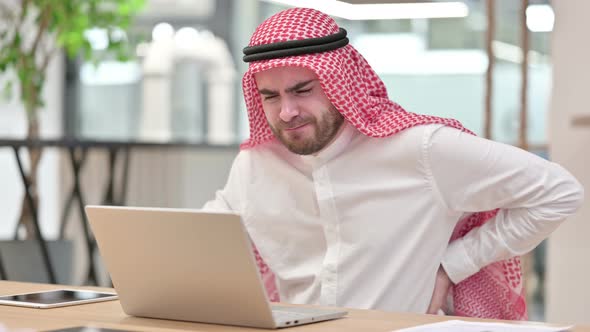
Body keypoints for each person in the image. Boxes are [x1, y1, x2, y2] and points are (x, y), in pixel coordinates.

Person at [203, 7, 584, 319]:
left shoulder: (421, 150)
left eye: (303, 90)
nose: (287, 112)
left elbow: (559, 192)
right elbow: (202, 237)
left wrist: (454, 264)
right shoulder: (255, 165)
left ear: (339, 82)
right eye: (270, 96)